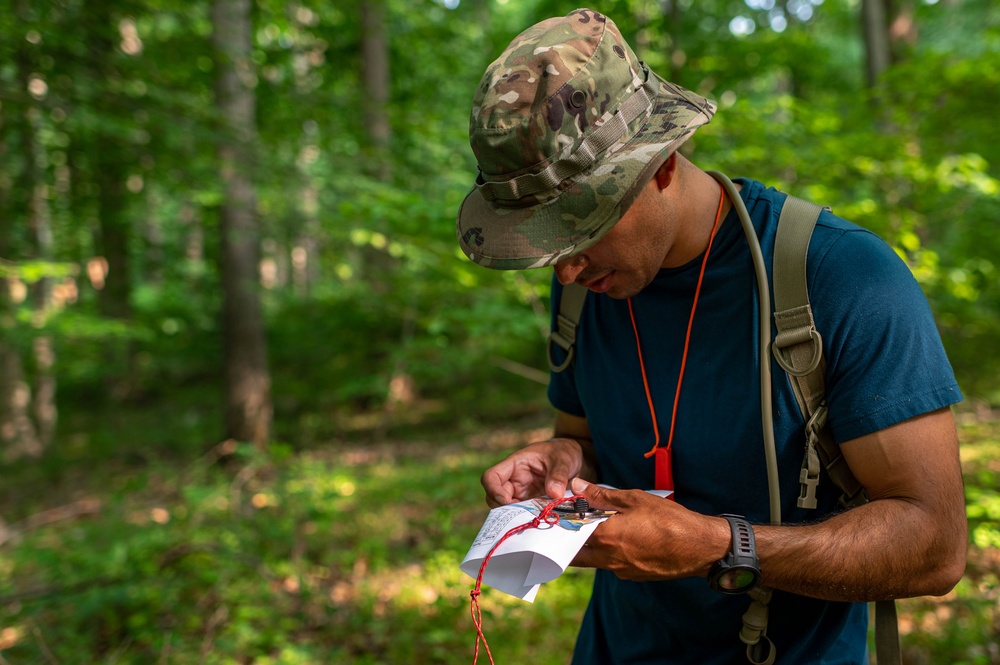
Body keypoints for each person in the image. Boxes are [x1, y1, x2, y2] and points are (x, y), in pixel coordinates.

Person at [455, 8, 967, 665]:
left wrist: (721, 546)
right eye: (543, 241)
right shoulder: (587, 287)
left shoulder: (842, 277)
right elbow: (591, 442)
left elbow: (935, 546)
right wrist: (564, 460)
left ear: (661, 165)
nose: (564, 268)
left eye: (580, 227)